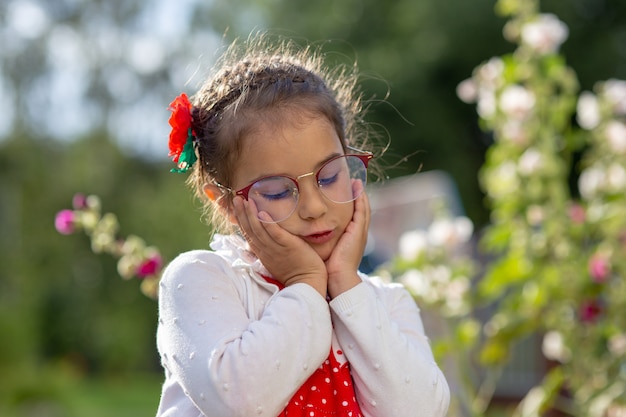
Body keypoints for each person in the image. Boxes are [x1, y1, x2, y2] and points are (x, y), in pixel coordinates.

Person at [155, 35, 450, 417]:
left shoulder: (385, 302)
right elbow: (239, 400)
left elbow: (422, 410)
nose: (313, 207)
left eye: (329, 177)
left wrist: (344, 284)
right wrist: (307, 283)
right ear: (227, 203)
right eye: (278, 191)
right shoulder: (203, 279)